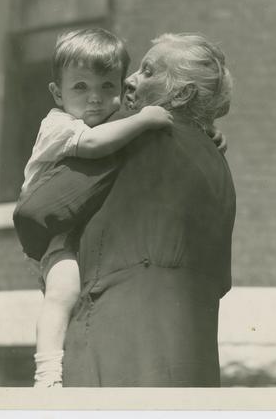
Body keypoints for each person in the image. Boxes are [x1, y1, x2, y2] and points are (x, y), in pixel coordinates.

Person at [14, 32, 235, 387]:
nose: (130, 79)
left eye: (146, 72)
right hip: (190, 360)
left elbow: (35, 211)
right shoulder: (216, 160)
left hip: (117, 345)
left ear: (181, 94)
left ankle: (47, 373)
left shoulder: (135, 137)